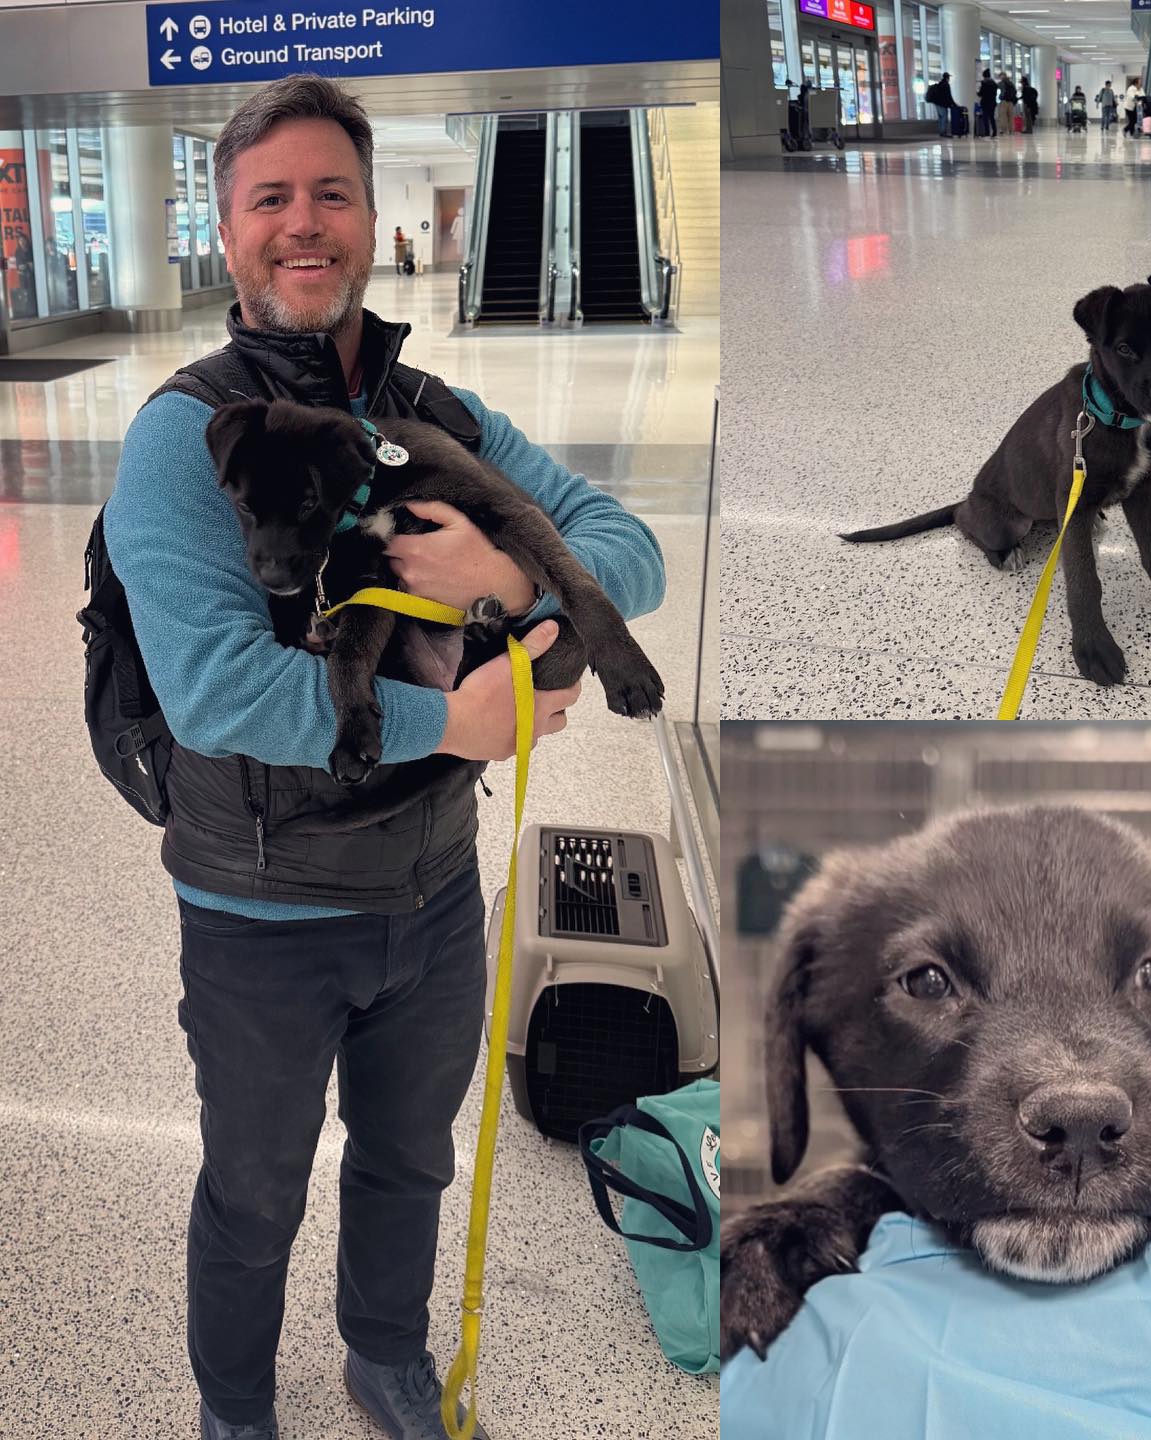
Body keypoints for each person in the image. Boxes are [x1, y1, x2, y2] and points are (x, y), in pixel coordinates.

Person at [103, 73, 665, 1440]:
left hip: (433, 891)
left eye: (331, 193)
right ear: (228, 230)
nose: (306, 224)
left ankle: (386, 1356)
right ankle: (237, 1405)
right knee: (254, 1185)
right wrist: (457, 723)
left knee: (411, 1156)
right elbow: (215, 690)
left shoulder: (439, 409)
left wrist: (508, 577)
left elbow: (629, 550)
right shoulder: (183, 438)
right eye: (271, 200)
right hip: (261, 908)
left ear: (371, 215)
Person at [929, 71, 959, 137]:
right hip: (942, 104)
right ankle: (943, 132)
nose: (949, 79)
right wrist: (954, 104)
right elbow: (948, 96)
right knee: (944, 117)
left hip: (937, 103)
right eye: (949, 77)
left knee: (940, 118)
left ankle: (941, 132)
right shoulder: (946, 85)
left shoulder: (940, 84)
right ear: (947, 78)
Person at [977, 67, 999, 140]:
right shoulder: (994, 84)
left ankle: (987, 133)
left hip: (985, 102)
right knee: (992, 117)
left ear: (984, 76)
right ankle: (995, 133)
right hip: (992, 102)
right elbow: (995, 94)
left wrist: (978, 93)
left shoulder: (984, 83)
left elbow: (981, 93)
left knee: (985, 118)